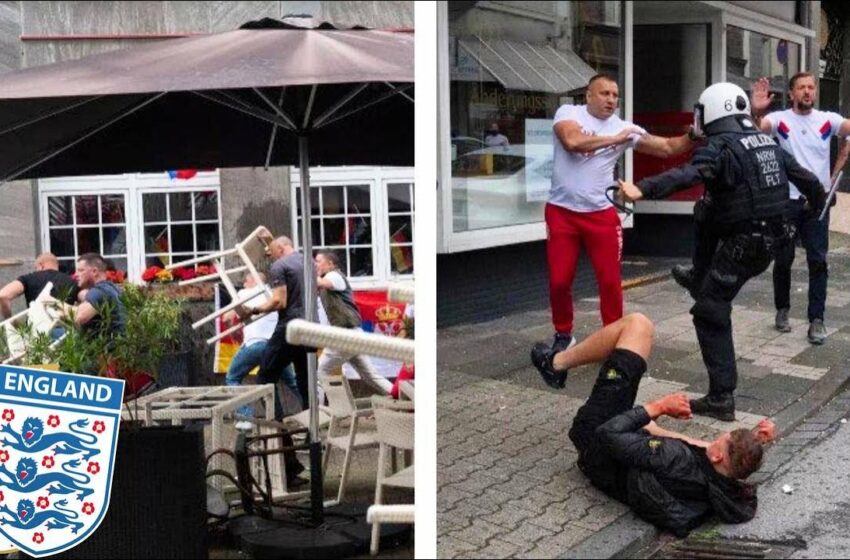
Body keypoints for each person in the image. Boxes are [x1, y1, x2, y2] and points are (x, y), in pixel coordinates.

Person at [616, 82, 825, 421]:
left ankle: (721, 398)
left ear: (712, 111)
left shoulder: (720, 146)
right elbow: (810, 182)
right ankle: (699, 276)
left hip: (743, 247)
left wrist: (641, 187)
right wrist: (813, 210)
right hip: (767, 241)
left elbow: (690, 173)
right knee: (706, 208)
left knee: (709, 311)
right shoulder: (765, 142)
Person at [530, 313, 776, 537]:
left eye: (722, 439)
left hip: (595, 436)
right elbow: (704, 450)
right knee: (637, 339)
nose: (716, 439)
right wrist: (754, 441)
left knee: (638, 325)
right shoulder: (723, 486)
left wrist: (658, 407)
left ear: (717, 455)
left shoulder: (670, 457)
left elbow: (608, 433)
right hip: (627, 445)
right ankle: (562, 364)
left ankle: (555, 364)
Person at [547, 73, 701, 353]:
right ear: (589, 96)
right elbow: (572, 141)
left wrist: (693, 135)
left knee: (609, 282)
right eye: (604, 93)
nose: (611, 100)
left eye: (615, 95)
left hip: (600, 215)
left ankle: (612, 337)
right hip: (562, 212)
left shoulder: (624, 128)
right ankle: (563, 333)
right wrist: (615, 139)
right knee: (559, 280)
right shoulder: (568, 112)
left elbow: (667, 148)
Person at [752, 74, 850, 344]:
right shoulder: (781, 120)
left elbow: (848, 130)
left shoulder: (826, 120)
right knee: (783, 259)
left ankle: (816, 319)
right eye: (801, 88)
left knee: (818, 260)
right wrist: (756, 111)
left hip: (816, 201)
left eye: (811, 87)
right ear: (792, 93)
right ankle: (782, 308)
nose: (807, 92)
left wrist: (838, 166)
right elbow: (755, 130)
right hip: (787, 200)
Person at [224, 271, 301, 429]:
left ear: (250, 280)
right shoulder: (273, 294)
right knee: (291, 381)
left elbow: (227, 317)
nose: (244, 285)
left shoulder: (245, 293)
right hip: (275, 346)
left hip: (255, 344)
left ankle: (246, 418)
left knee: (232, 378)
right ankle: (315, 409)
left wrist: (234, 328)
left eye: (244, 281)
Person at [315, 250, 392, 394]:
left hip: (345, 336)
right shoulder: (329, 278)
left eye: (318, 261)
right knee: (371, 376)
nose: (315, 264)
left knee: (319, 373)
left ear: (330, 263)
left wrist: (305, 268)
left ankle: (318, 411)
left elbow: (321, 282)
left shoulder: (334, 275)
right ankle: (402, 398)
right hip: (353, 335)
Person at [0, 253, 78, 319]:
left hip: (37, 330)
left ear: (41, 266)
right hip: (66, 330)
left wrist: (9, 320)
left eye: (36, 267)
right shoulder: (71, 281)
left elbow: (3, 295)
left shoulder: (29, 278)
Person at [73, 253, 126, 339]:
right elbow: (86, 295)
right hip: (120, 346)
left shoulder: (99, 291)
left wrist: (56, 307)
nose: (76, 274)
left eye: (81, 270)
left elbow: (78, 317)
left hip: (107, 349)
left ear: (94, 272)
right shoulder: (111, 288)